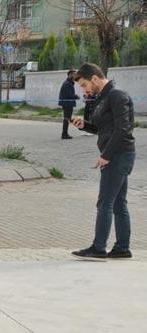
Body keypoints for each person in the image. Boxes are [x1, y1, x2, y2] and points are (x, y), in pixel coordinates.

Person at [70, 62, 136, 260]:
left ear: (95, 78)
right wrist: (85, 126)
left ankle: (98, 249)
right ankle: (122, 248)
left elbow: (122, 129)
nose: (83, 89)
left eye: (84, 84)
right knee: (118, 203)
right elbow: (104, 129)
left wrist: (106, 155)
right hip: (118, 155)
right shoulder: (104, 97)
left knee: (105, 203)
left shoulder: (116, 95)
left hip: (118, 156)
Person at [58, 69, 80, 139]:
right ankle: (64, 134)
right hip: (67, 103)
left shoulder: (69, 83)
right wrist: (76, 96)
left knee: (67, 118)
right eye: (74, 74)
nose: (75, 76)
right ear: (70, 75)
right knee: (67, 119)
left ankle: (65, 133)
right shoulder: (67, 83)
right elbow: (69, 95)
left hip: (67, 103)